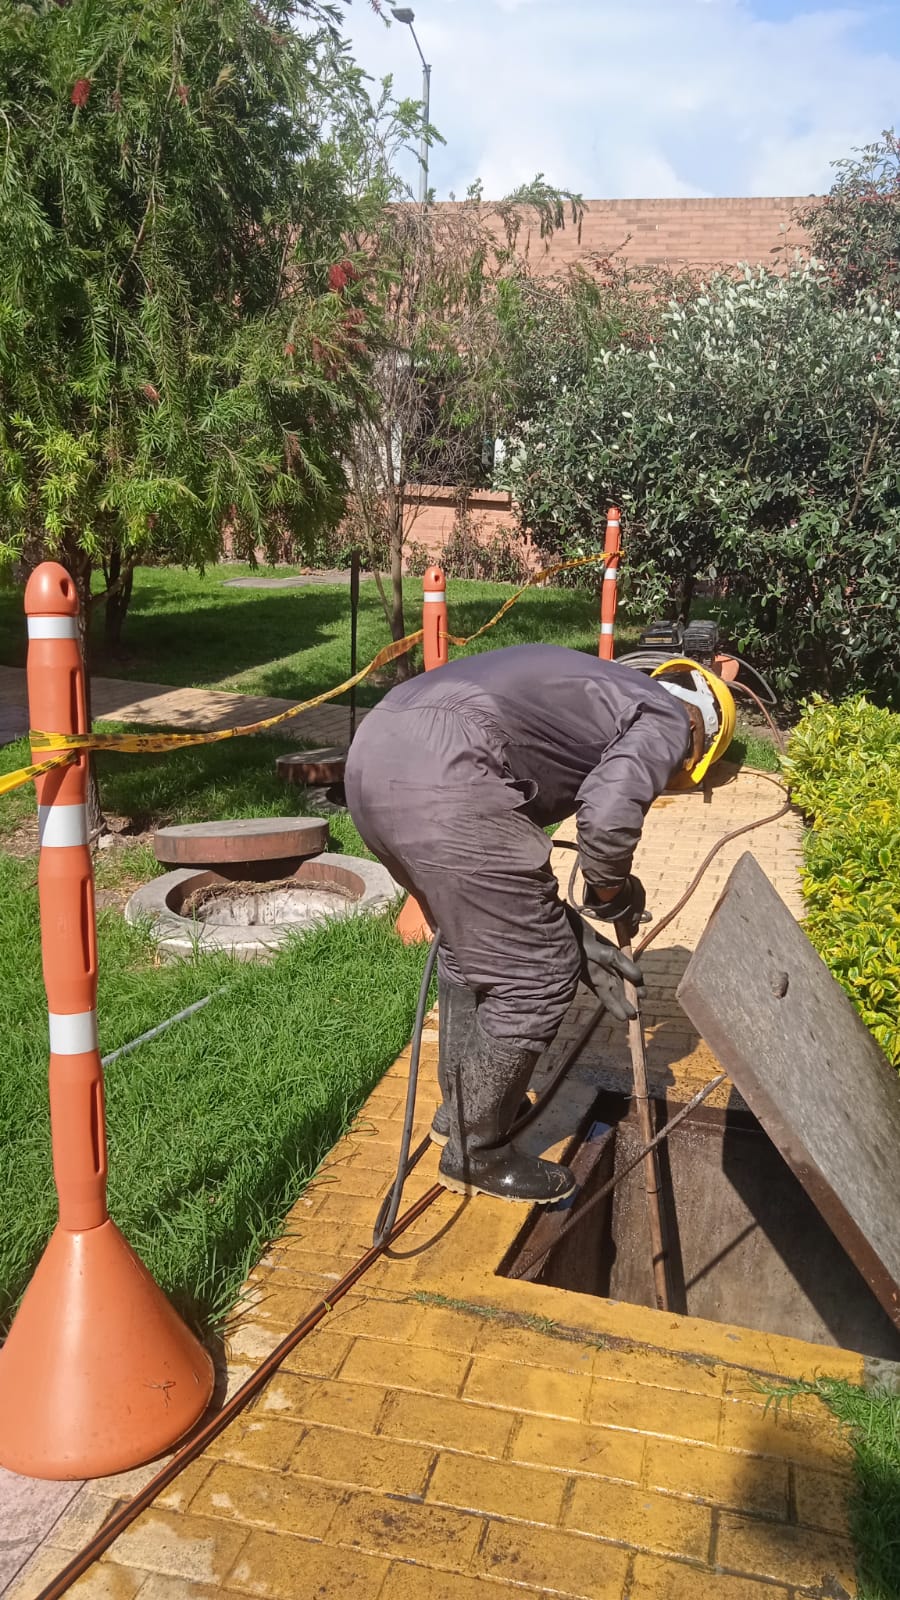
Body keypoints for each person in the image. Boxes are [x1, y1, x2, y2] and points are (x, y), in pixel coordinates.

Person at [345, 643, 734, 1206]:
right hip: (448, 781)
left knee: (468, 947)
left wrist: (569, 930)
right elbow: (606, 820)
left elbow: (507, 886)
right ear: (702, 740)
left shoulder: (599, 686)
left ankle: (459, 1111)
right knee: (537, 977)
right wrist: (613, 894)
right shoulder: (669, 716)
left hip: (373, 760)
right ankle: (477, 1151)